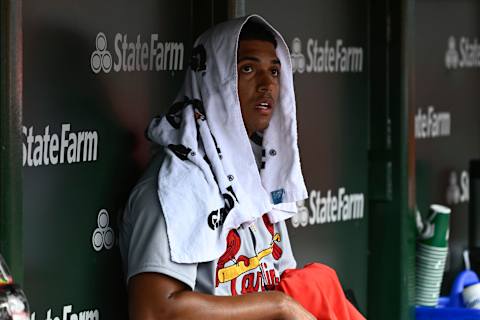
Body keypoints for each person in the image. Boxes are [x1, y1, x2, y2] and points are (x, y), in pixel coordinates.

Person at [119, 15, 316, 320]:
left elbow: (282, 279)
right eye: (248, 69)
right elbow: (153, 311)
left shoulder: (260, 172)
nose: (267, 85)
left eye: (274, 71)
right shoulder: (175, 186)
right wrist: (279, 306)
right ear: (213, 80)